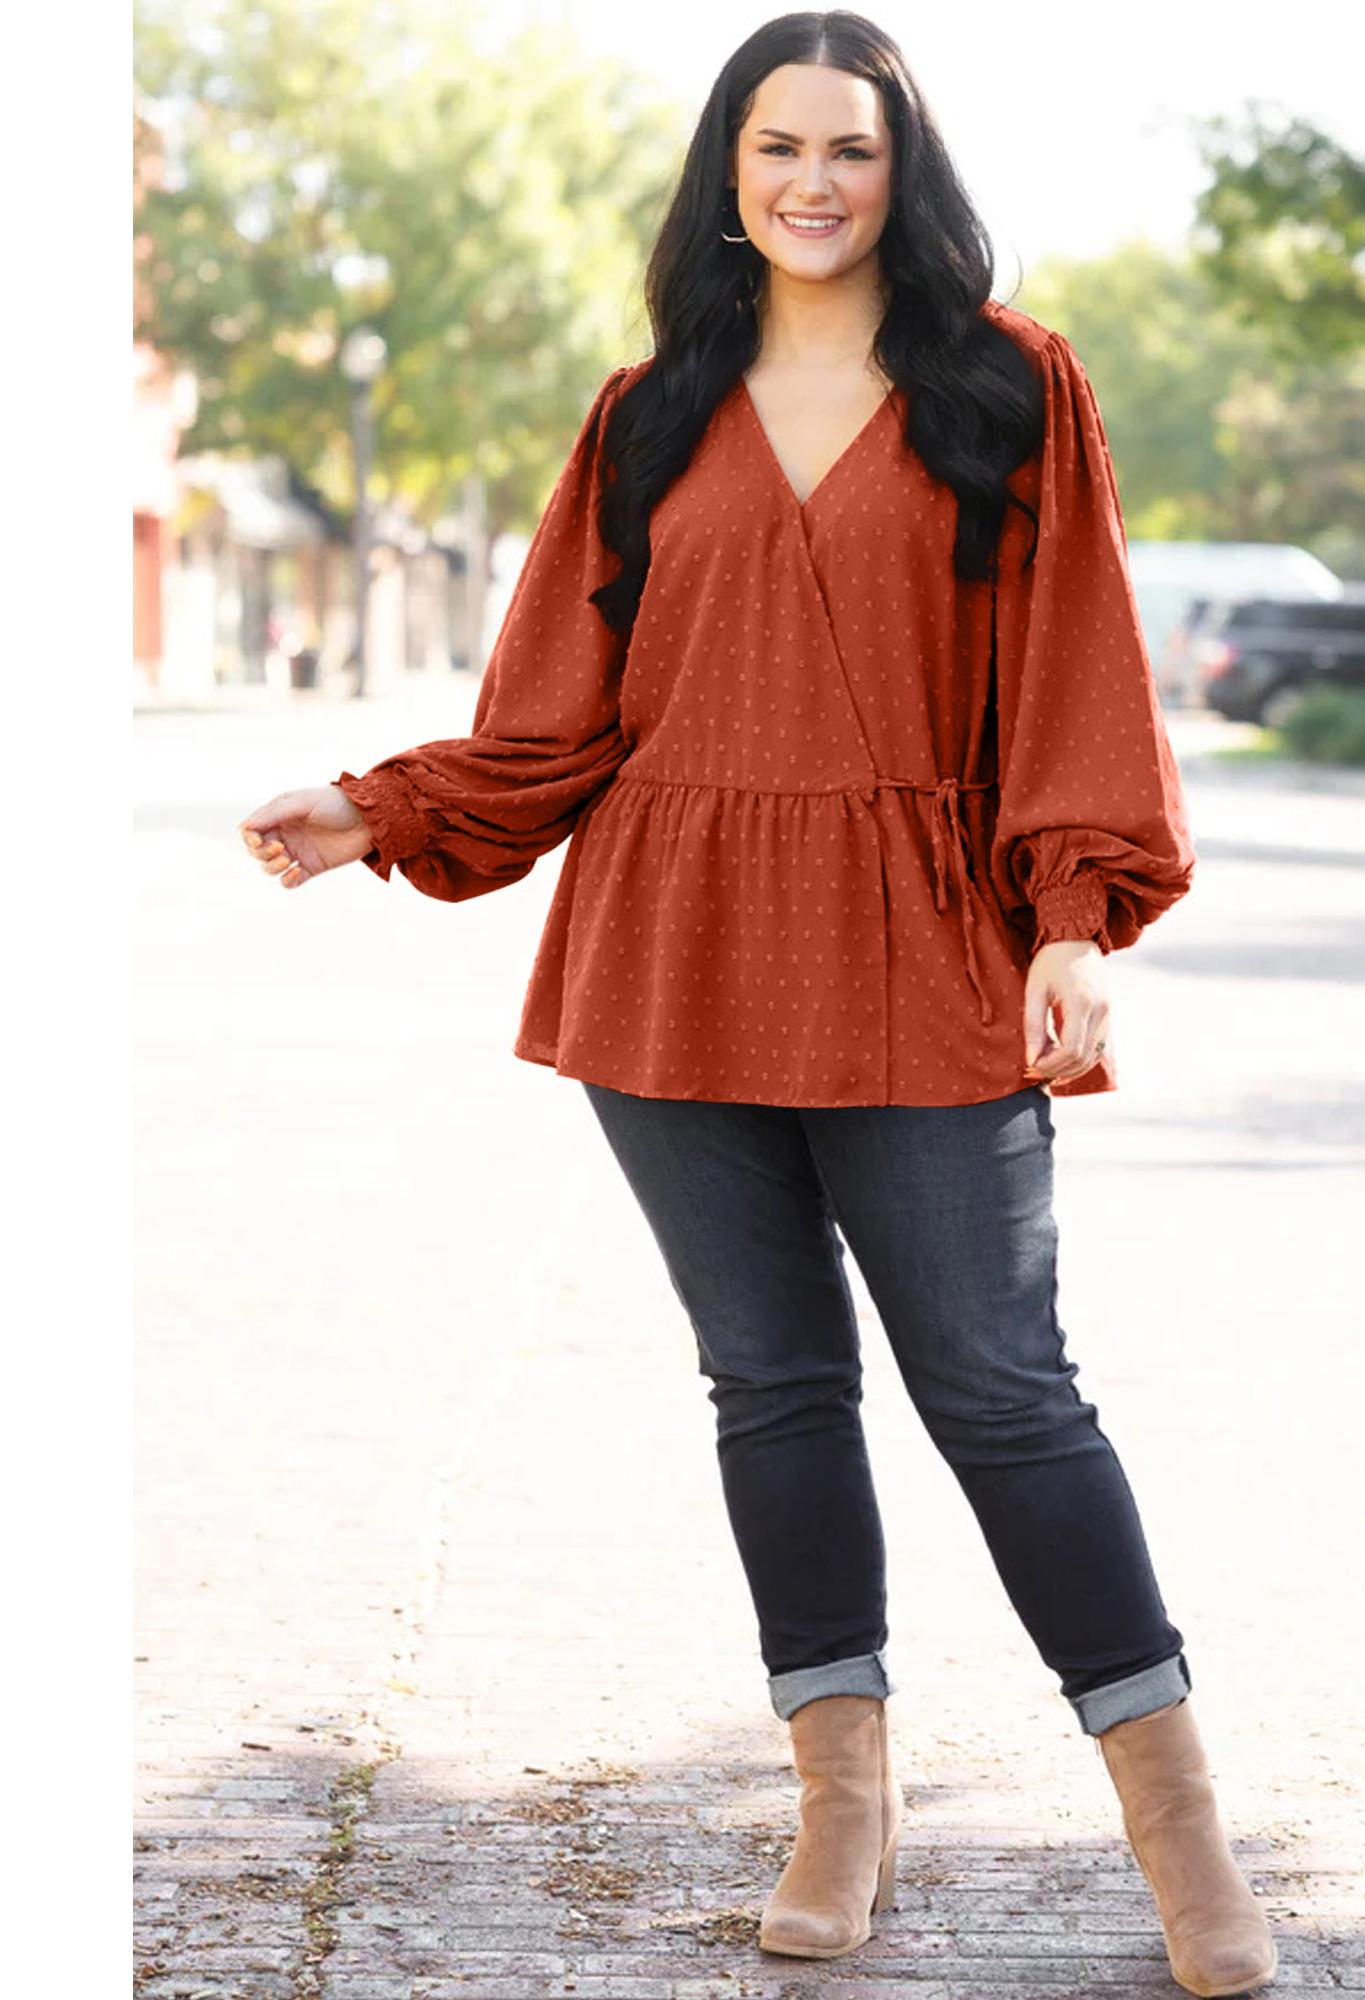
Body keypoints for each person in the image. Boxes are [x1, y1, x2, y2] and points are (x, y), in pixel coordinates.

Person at [238, 13, 1277, 1995]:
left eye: (850, 151)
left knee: (1003, 1389)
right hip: (676, 948)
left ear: (903, 171)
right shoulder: (647, 415)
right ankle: (839, 1801)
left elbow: (1073, 666)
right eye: (778, 147)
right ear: (729, 172)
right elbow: (555, 715)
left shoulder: (1008, 386)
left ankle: (1179, 1826)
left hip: (925, 940)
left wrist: (1071, 917)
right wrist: (381, 808)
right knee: (772, 1386)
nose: (813, 182)